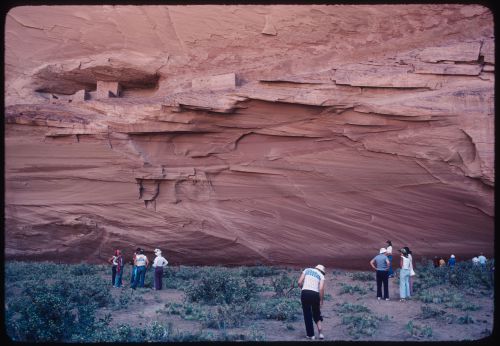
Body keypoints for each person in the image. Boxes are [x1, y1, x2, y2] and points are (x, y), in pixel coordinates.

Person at [297, 264, 326, 340]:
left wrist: (303, 288)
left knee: (307, 314)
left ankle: (311, 335)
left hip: (305, 293)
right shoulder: (321, 275)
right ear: (322, 271)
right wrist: (321, 300)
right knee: (316, 313)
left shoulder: (307, 270)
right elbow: (321, 289)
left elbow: (299, 282)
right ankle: (321, 333)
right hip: (315, 294)